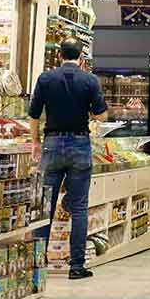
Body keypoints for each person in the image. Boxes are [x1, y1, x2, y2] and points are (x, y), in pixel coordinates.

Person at [28, 37, 108, 280]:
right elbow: (101, 115)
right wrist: (92, 119)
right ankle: (76, 266)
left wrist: (35, 142)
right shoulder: (90, 80)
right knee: (79, 206)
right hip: (80, 145)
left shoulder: (45, 79)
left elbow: (33, 115)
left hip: (52, 144)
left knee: (45, 206)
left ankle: (36, 263)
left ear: (60, 54)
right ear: (81, 57)